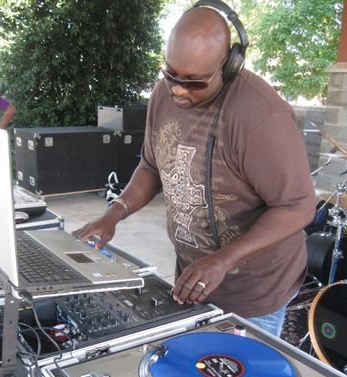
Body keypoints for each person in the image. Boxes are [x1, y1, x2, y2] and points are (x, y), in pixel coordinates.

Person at [73, 1, 316, 337]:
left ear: (228, 65)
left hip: (253, 292)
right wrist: (113, 215)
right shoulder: (164, 96)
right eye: (170, 74)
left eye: (194, 82)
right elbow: (150, 167)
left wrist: (223, 260)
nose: (177, 89)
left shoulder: (261, 118)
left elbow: (298, 206)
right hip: (193, 275)